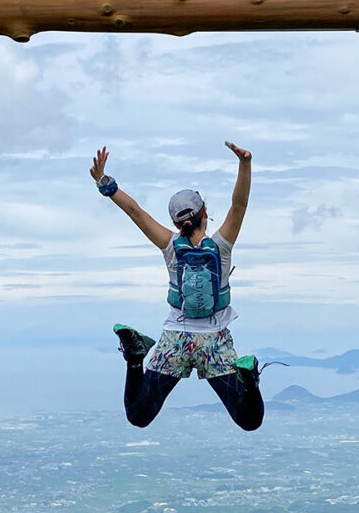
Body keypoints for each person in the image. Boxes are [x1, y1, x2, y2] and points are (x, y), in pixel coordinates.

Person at [89, 141, 263, 431]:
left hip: (176, 338)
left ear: (175, 221)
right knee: (249, 420)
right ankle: (248, 378)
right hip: (214, 341)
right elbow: (240, 204)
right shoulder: (221, 246)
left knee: (139, 414)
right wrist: (245, 163)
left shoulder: (170, 245)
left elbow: (136, 212)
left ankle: (134, 356)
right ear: (205, 212)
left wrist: (104, 182)